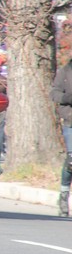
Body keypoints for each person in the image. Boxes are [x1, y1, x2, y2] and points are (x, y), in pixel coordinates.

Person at [51, 54, 72, 216]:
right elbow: (54, 93)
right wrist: (67, 98)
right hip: (70, 120)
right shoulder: (65, 72)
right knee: (71, 159)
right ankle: (64, 195)